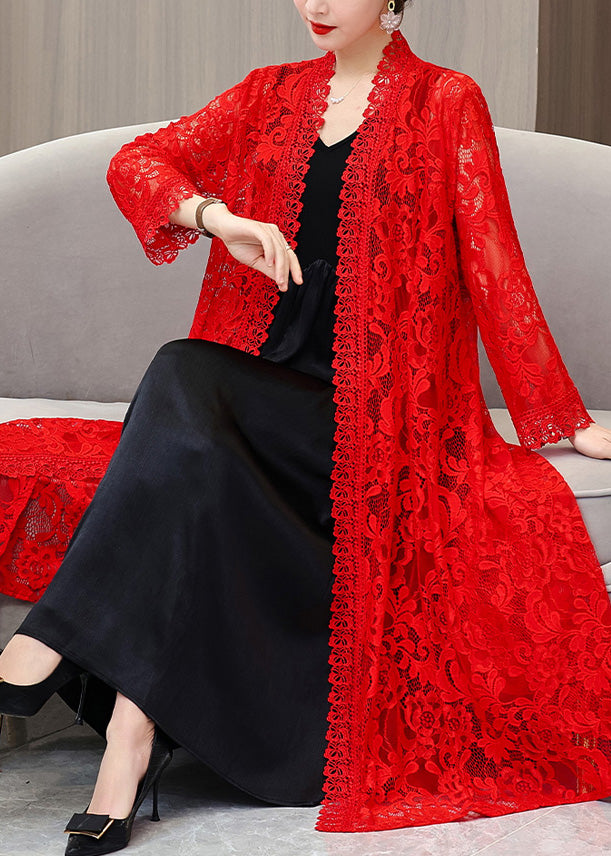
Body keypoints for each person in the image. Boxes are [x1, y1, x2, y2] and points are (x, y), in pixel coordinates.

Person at [2, 0, 611, 850]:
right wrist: (218, 218)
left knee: (181, 387)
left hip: (380, 420)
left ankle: (60, 647)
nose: (316, 3)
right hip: (262, 394)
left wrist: (563, 419)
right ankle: (128, 739)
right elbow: (139, 163)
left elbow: (492, 258)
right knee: (189, 415)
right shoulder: (268, 94)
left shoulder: (445, 101)